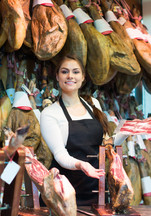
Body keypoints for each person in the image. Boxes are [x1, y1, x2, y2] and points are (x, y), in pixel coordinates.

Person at [40, 55, 111, 206]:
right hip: (63, 192)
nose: (70, 76)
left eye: (76, 72)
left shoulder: (94, 105)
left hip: (96, 188)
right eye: (65, 72)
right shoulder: (50, 113)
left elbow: (106, 143)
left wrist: (128, 130)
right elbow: (60, 155)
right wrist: (82, 165)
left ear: (83, 77)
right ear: (57, 76)